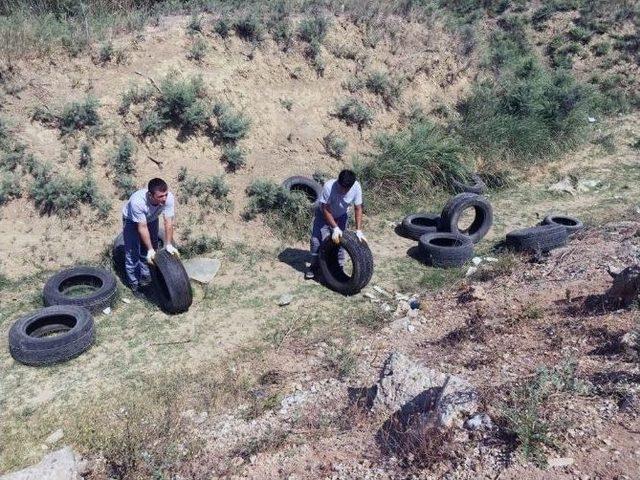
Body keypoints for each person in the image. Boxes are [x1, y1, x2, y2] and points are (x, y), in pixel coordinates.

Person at [122, 178, 179, 296]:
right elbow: (142, 227)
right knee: (132, 252)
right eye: (160, 196)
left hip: (152, 218)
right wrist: (150, 249)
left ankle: (146, 278)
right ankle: (135, 284)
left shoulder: (168, 198)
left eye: (166, 194)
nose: (164, 198)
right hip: (132, 221)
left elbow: (168, 222)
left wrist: (168, 244)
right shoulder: (137, 202)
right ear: (150, 195)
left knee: (152, 248)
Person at [306, 169, 367, 279]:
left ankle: (338, 268)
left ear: (351, 186)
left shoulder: (356, 187)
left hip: (341, 215)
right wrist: (335, 227)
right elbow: (325, 209)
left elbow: (358, 208)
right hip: (323, 215)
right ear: (338, 181)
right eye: (341, 187)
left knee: (340, 241)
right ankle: (314, 267)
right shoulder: (329, 187)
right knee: (316, 240)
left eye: (346, 189)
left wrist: (358, 230)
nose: (343, 190)